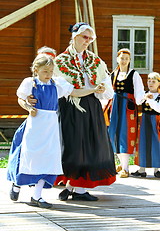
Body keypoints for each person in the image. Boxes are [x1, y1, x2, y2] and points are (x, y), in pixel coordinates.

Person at [7, 53, 104, 208]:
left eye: (51, 71)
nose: (49, 74)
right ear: (36, 70)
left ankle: (37, 196)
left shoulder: (57, 83)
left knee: (47, 158)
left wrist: (93, 89)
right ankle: (16, 184)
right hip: (35, 124)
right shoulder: (30, 83)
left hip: (50, 126)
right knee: (28, 156)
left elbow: (75, 92)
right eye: (45, 71)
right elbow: (21, 98)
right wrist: (28, 106)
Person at [52, 22, 116, 201]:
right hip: (70, 107)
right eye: (84, 37)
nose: (87, 41)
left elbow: (108, 88)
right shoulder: (60, 61)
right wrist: (94, 88)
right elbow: (67, 89)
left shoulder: (96, 60)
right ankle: (71, 184)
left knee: (90, 147)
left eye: (90, 38)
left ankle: (77, 188)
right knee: (73, 147)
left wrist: (103, 89)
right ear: (74, 36)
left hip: (92, 106)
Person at [108, 48, 145, 178]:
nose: (123, 61)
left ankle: (126, 168)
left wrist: (141, 100)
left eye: (126, 59)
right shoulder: (113, 74)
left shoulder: (134, 74)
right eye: (121, 58)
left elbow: (139, 91)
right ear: (117, 59)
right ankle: (120, 164)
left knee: (126, 134)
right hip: (115, 106)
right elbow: (107, 92)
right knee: (114, 133)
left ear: (129, 61)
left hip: (127, 107)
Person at [131, 72, 160, 178]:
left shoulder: (159, 95)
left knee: (157, 143)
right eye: (149, 81)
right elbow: (138, 102)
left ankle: (158, 169)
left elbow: (158, 108)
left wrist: (150, 99)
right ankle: (142, 169)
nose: (151, 83)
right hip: (145, 120)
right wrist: (145, 96)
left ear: (158, 83)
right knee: (143, 142)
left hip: (156, 121)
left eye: (154, 81)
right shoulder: (145, 93)